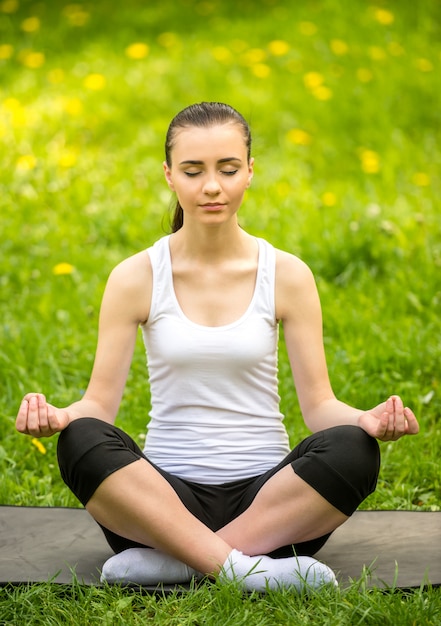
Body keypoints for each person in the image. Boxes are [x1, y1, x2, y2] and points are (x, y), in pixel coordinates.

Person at [15, 102, 419, 592]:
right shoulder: (135, 276)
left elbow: (319, 407)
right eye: (193, 170)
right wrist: (61, 417)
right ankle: (246, 570)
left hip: (271, 507)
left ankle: (179, 563)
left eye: (228, 169)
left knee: (355, 449)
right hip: (162, 504)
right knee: (81, 439)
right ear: (168, 175)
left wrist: (366, 421)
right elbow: (99, 405)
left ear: (249, 172)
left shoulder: (286, 274)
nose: (212, 186)